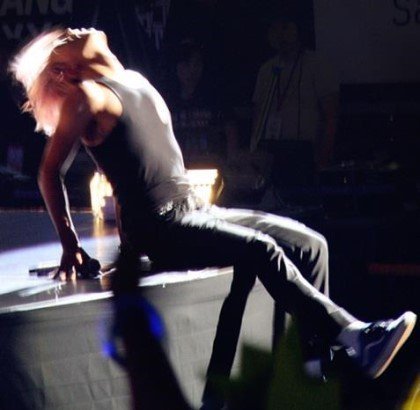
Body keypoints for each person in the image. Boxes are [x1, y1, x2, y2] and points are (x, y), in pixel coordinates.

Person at [10, 28, 416, 409]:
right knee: (261, 249)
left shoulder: (131, 78)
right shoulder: (87, 96)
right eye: (65, 39)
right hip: (158, 225)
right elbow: (49, 172)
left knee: (311, 244)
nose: (76, 30)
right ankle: (353, 335)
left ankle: (315, 368)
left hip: (193, 207)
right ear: (65, 70)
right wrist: (70, 244)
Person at [251, 16, 339, 192]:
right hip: (272, 154)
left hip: (306, 152)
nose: (281, 35)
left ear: (297, 31)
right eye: (275, 29)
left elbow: (331, 114)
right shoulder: (267, 69)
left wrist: (324, 156)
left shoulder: (316, 65)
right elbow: (257, 116)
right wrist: (255, 156)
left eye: (285, 28)